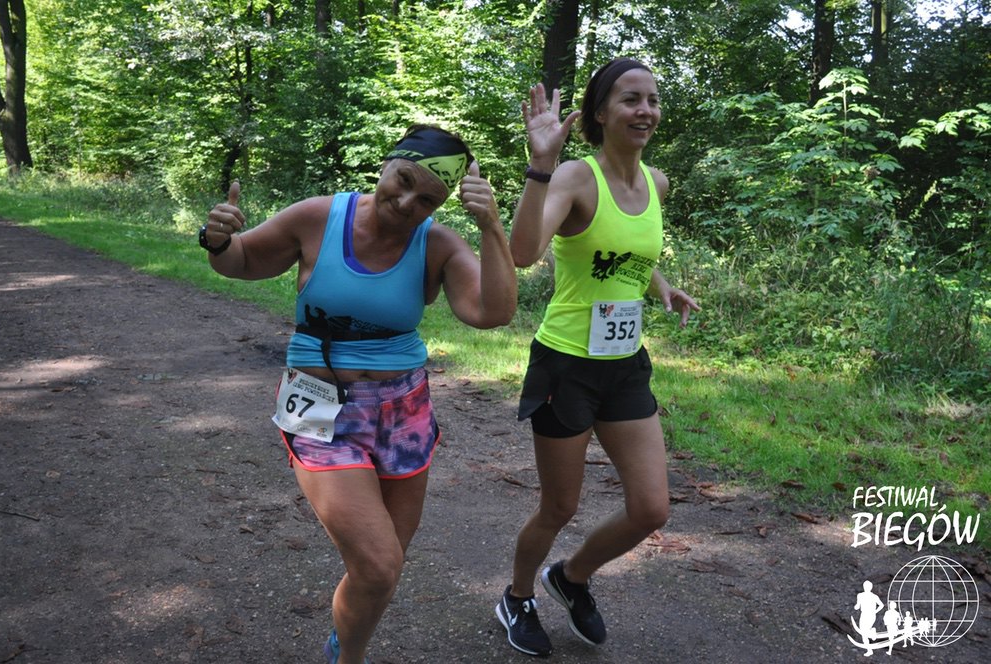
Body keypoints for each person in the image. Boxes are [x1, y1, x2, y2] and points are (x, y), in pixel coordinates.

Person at [202, 125, 516, 664]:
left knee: (385, 566)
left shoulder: (438, 244)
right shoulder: (319, 217)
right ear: (387, 164)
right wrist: (218, 239)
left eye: (428, 200)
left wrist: (491, 226)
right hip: (320, 407)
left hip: (404, 411)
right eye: (404, 181)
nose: (408, 203)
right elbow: (243, 262)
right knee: (377, 565)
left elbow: (493, 312)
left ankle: (344, 645)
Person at [496, 58, 699, 657]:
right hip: (566, 365)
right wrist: (540, 166)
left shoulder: (657, 182)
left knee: (651, 508)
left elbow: (627, 250)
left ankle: (571, 576)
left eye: (652, 100)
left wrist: (661, 286)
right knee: (560, 505)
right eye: (631, 99)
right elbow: (524, 253)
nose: (645, 110)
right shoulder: (575, 179)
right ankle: (517, 596)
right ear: (600, 113)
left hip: (625, 364)